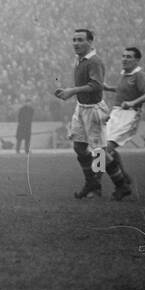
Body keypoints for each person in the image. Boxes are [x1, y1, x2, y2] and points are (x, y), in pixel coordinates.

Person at [53, 28, 110, 199]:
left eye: (80, 40)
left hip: (94, 109)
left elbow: (96, 85)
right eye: (74, 40)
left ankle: (96, 185)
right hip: (81, 107)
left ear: (90, 42)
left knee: (99, 150)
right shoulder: (80, 60)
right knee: (78, 146)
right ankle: (91, 182)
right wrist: (70, 91)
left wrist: (72, 90)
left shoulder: (94, 61)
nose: (76, 43)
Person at [100, 46, 145, 200]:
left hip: (128, 116)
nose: (125, 59)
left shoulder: (139, 75)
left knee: (102, 152)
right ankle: (123, 179)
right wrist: (109, 88)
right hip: (116, 113)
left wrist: (133, 102)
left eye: (129, 57)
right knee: (101, 150)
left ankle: (121, 186)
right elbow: (123, 90)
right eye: (123, 56)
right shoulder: (125, 75)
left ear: (137, 60)